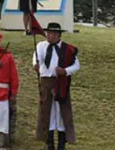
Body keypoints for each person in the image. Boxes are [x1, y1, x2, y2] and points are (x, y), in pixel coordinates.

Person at [33, 22, 79, 150]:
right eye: (48, 33)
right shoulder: (41, 46)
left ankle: (62, 143)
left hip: (61, 83)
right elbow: (37, 58)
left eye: (52, 33)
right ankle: (49, 141)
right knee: (47, 111)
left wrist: (65, 71)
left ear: (58, 35)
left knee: (61, 111)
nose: (49, 35)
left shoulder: (67, 49)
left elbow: (76, 66)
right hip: (46, 81)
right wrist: (36, 65)